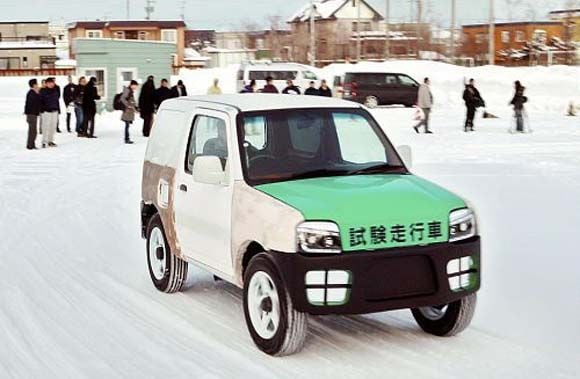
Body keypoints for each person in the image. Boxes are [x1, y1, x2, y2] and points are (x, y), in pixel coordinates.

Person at [39, 77, 60, 148]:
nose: (51, 84)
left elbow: (57, 101)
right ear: (46, 83)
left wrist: (58, 109)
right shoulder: (42, 91)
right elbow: (40, 102)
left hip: (55, 111)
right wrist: (42, 110)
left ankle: (50, 141)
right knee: (45, 127)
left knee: (53, 127)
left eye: (52, 83)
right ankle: (44, 142)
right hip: (46, 112)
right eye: (50, 83)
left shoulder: (55, 90)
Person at [24, 78, 41, 150]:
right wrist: (38, 94)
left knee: (33, 130)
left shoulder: (33, 92)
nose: (38, 85)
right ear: (34, 85)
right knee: (32, 131)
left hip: (33, 114)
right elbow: (33, 104)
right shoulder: (32, 93)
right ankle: (30, 145)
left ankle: (31, 144)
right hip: (31, 114)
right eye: (37, 84)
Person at [121, 80, 139, 144]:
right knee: (127, 125)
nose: (136, 87)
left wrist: (135, 107)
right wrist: (128, 105)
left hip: (129, 111)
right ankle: (126, 139)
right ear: (132, 85)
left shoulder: (130, 91)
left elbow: (131, 100)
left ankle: (127, 138)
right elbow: (122, 98)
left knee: (127, 125)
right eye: (135, 86)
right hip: (127, 111)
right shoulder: (128, 91)